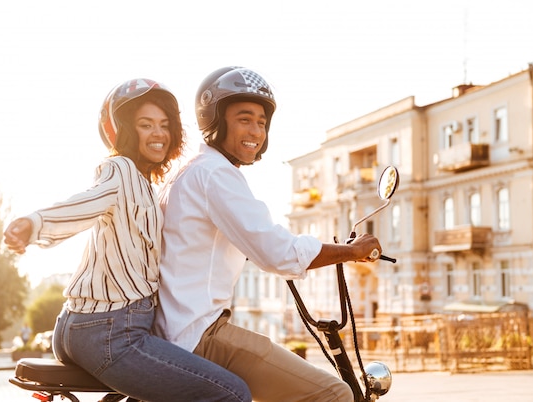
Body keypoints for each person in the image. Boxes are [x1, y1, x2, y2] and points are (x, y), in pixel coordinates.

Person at [3, 78, 252, 402]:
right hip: (110, 332)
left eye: (164, 125)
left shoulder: (147, 186)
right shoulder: (121, 171)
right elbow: (87, 202)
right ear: (123, 131)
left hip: (85, 327)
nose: (158, 133)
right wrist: (32, 223)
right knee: (232, 393)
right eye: (145, 125)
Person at [155, 67, 383, 402]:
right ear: (215, 121)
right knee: (335, 394)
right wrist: (350, 251)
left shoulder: (190, 171)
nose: (256, 131)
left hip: (178, 330)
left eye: (262, 122)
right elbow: (278, 253)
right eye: (244, 119)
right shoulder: (215, 174)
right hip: (199, 334)